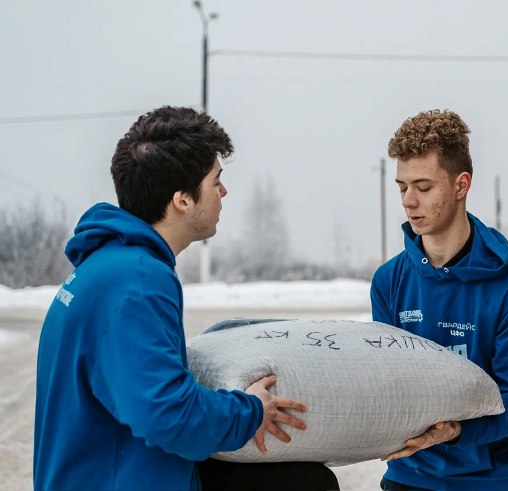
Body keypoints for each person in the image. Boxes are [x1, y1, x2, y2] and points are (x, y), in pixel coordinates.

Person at [33, 106, 338, 491]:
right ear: (182, 200)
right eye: (215, 181)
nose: (224, 192)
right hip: (118, 480)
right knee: (308, 485)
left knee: (302, 478)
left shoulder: (106, 265)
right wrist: (251, 410)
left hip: (114, 470)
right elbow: (169, 415)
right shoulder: (138, 281)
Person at [370, 109, 508, 491]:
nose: (409, 201)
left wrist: (454, 431)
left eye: (423, 187)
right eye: (402, 187)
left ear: (461, 185)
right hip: (410, 476)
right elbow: (388, 383)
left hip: (495, 481)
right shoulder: (388, 281)